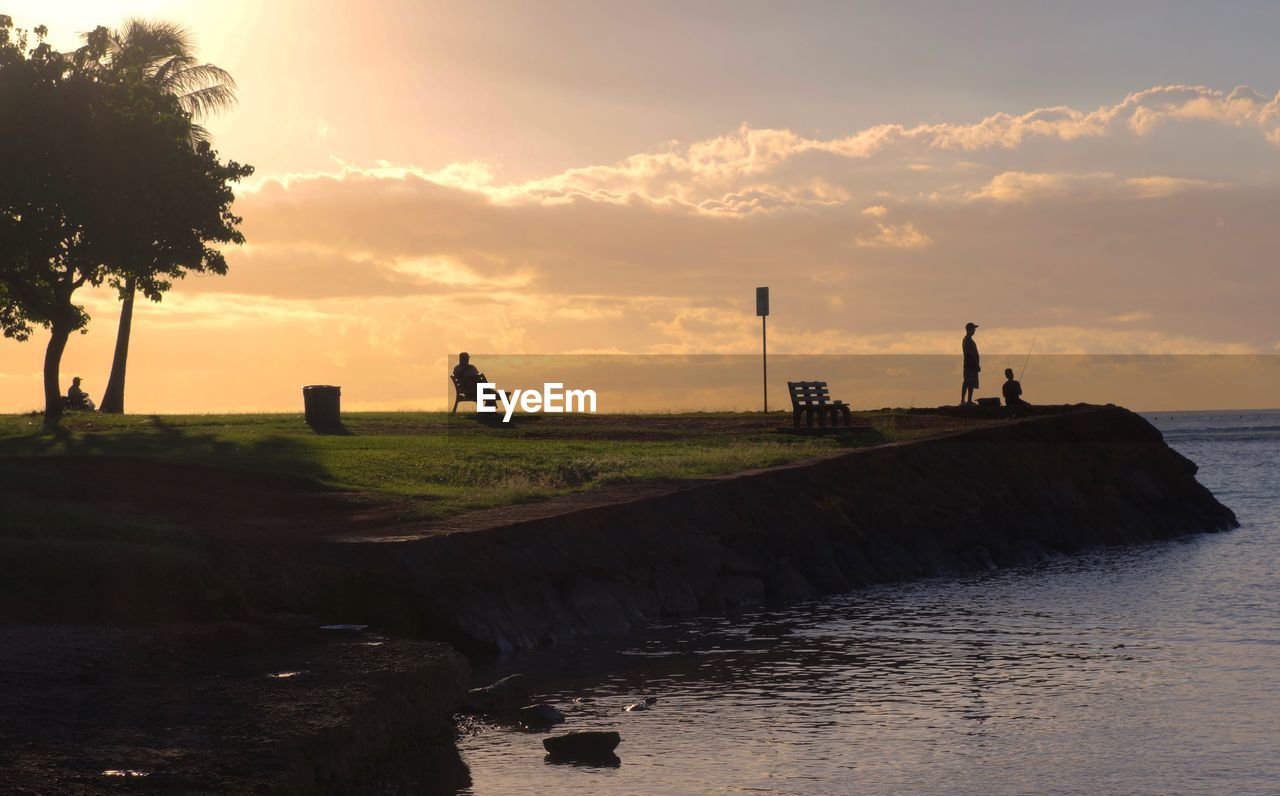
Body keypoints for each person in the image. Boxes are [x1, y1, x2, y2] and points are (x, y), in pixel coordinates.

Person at [961, 322, 980, 406]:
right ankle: (964, 400)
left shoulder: (968, 340)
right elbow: (971, 354)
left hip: (971, 365)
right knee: (967, 382)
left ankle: (969, 400)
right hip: (970, 365)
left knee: (970, 383)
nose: (974, 330)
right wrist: (976, 364)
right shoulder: (968, 340)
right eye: (973, 329)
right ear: (969, 330)